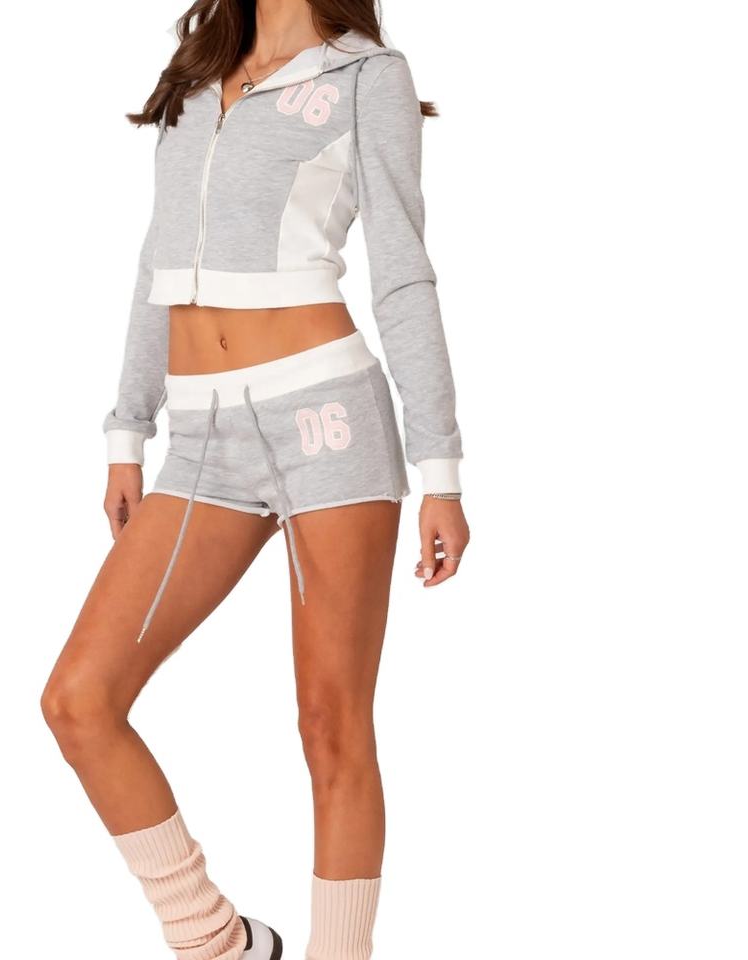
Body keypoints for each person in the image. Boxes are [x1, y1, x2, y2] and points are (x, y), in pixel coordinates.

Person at [42, 1, 470, 957]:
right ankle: (219, 944)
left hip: (326, 418)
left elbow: (402, 273)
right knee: (79, 700)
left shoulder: (367, 76)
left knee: (331, 726)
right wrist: (128, 428)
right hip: (202, 437)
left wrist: (439, 465)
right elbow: (158, 257)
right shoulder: (199, 74)